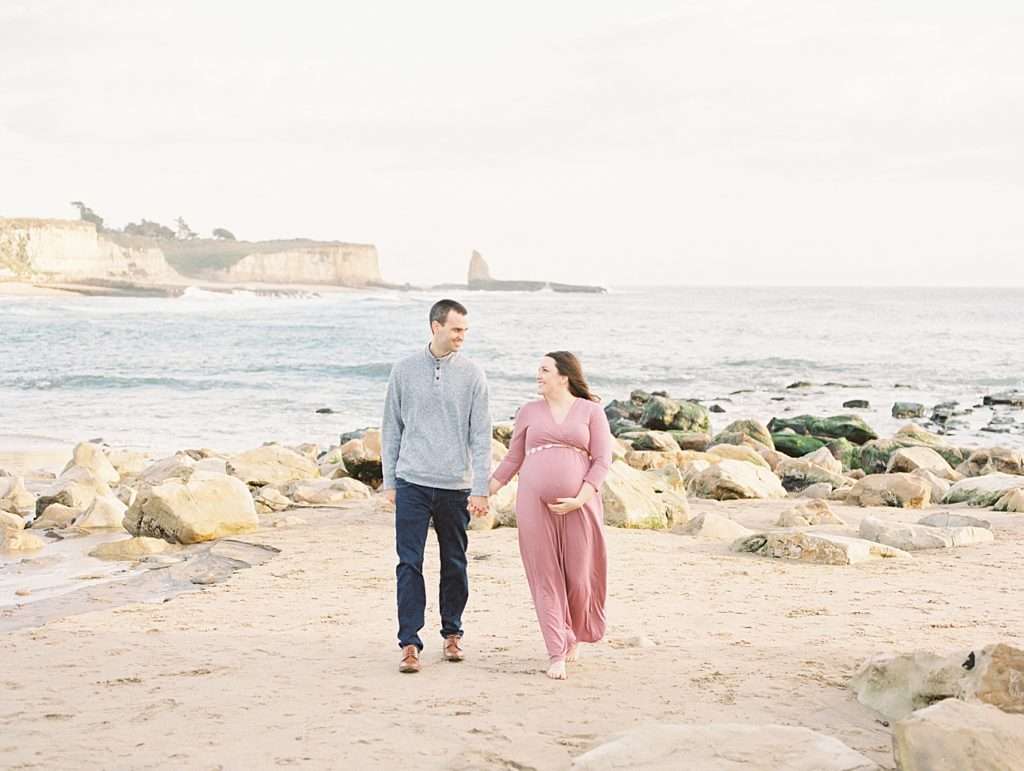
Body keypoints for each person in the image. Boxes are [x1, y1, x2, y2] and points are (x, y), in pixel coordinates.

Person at [381, 299, 492, 674]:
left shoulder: (473, 375)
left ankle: (452, 634)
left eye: (465, 330)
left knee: (454, 563)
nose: (462, 336)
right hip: (412, 481)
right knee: (408, 565)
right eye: (456, 329)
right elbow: (391, 428)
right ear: (435, 327)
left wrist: (480, 488)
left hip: (455, 487)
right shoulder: (404, 370)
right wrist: (389, 481)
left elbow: (481, 435)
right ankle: (410, 642)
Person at [489, 351, 612, 680]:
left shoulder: (591, 411)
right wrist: (486, 490)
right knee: (544, 576)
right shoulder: (528, 411)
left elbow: (601, 461)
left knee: (580, 577)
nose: (538, 375)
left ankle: (575, 631)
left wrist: (580, 498)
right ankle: (556, 650)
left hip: (580, 505)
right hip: (532, 503)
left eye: (544, 370)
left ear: (563, 376)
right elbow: (514, 458)